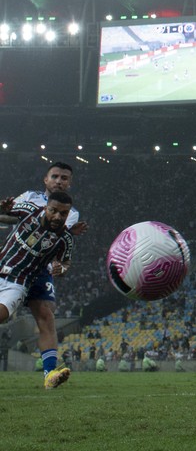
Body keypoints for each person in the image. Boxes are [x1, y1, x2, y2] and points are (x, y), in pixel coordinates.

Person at [0, 161, 87, 389]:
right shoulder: (29, 198)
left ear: (70, 183)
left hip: (39, 271)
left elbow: (57, 235)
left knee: (46, 317)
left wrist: (62, 268)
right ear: (46, 179)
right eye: (55, 176)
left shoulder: (72, 213)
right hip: (11, 259)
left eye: (64, 178)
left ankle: (49, 373)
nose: (59, 180)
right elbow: (7, 217)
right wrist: (10, 212)